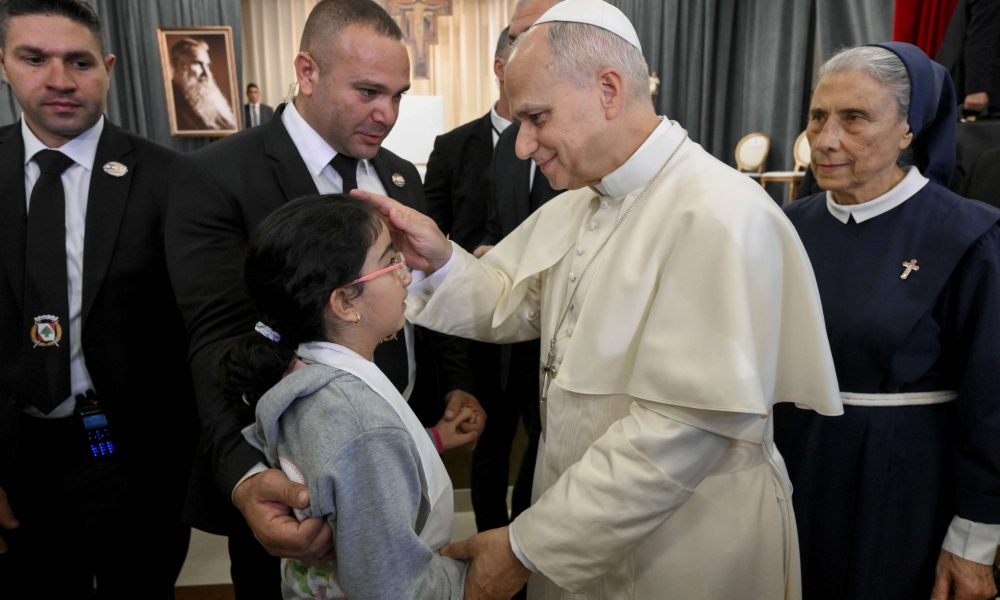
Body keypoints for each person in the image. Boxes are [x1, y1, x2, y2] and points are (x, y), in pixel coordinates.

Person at [354, 1, 844, 598]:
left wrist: (527, 545)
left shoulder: (719, 215)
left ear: (609, 89)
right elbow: (512, 299)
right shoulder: (582, 200)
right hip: (577, 518)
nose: (522, 146)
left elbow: (681, 430)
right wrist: (440, 260)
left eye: (536, 117)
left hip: (687, 541)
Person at [165, 1, 486, 597]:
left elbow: (415, 289)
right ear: (307, 72)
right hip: (291, 483)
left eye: (397, 95)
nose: (385, 114)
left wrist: (455, 380)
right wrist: (245, 482)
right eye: (367, 91)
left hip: (391, 450)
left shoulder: (397, 175)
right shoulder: (218, 177)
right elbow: (215, 346)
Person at [774, 43, 1000, 600]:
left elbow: (993, 403)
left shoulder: (966, 235)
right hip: (789, 478)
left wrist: (974, 542)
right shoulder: (784, 227)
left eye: (855, 119)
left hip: (903, 494)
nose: (825, 139)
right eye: (818, 116)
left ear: (908, 129)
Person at [0, 1, 198, 598]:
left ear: (108, 67)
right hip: (17, 462)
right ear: (5, 65)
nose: (59, 79)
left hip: (133, 465)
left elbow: (197, 325)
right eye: (35, 59)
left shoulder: (170, 178)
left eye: (79, 61)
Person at [227, 194, 474, 599]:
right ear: (344, 302)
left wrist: (436, 439)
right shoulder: (359, 421)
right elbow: (392, 587)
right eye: (390, 261)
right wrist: (471, 577)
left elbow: (347, 471)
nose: (407, 274)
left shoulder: (305, 374)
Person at [423, 26, 544, 542]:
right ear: (501, 67)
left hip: (545, 332)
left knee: (542, 443)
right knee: (491, 445)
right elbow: (445, 239)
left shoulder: (568, 150)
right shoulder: (466, 148)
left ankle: (527, 538)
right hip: (482, 327)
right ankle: (492, 539)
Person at [170, 37, 238, 131]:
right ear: (177, 65)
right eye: (198, 64)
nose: (207, 74)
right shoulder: (172, 102)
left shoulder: (210, 100)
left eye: (207, 65)